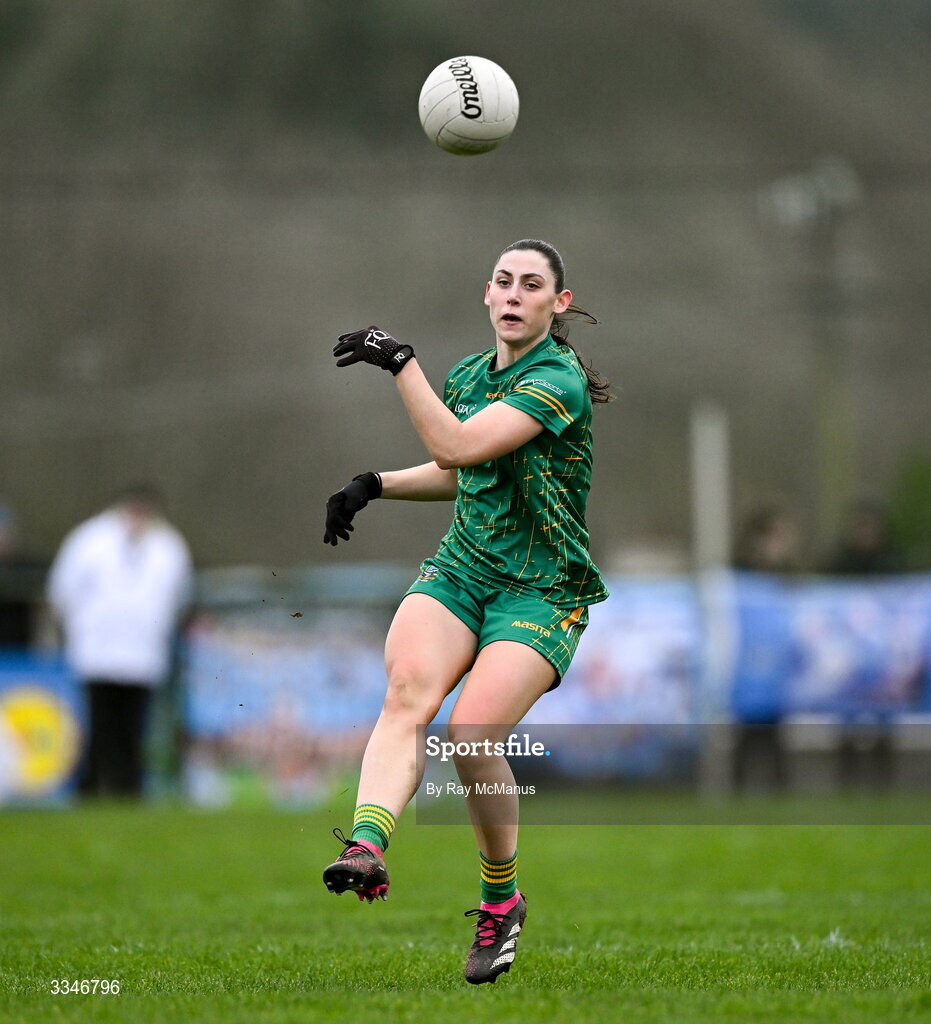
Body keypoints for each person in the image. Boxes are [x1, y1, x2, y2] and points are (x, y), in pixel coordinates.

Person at [320, 239, 611, 985]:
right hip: (462, 571)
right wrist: (373, 483)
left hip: (541, 589)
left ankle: (499, 901)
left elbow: (455, 440)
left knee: (472, 730)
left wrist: (399, 363)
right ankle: (366, 842)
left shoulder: (557, 380)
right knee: (406, 693)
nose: (515, 294)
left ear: (558, 304)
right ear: (487, 294)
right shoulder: (469, 376)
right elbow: (459, 469)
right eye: (504, 282)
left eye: (532, 285)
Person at [47, 485, 193, 798]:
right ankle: (92, 784)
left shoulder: (168, 546)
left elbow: (178, 596)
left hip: (142, 652)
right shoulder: (89, 541)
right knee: (99, 722)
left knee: (133, 725)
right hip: (97, 649)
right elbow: (63, 589)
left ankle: (129, 786)